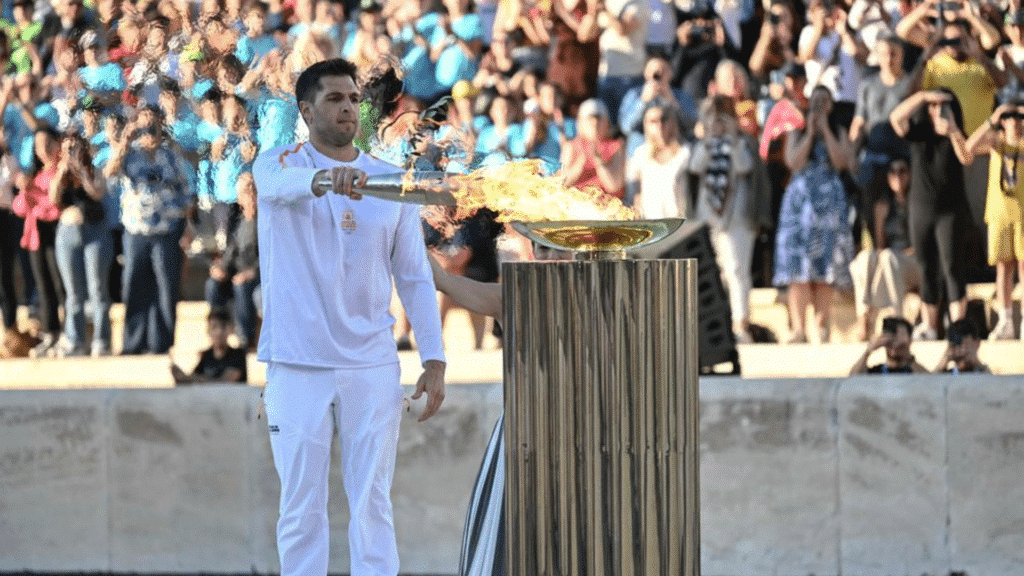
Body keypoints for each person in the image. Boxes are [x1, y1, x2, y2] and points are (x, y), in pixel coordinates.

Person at [252, 58, 446, 576]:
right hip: (296, 365)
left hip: (372, 366)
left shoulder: (389, 182)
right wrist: (324, 180)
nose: (346, 108)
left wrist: (434, 357)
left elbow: (413, 275)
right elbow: (276, 190)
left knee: (372, 505)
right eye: (334, 99)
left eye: (352, 99)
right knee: (300, 510)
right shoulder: (275, 165)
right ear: (306, 109)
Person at [773, 85, 854, 344]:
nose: (821, 105)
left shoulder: (839, 129)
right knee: (798, 268)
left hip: (829, 205)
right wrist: (809, 132)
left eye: (825, 101)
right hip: (800, 206)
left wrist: (826, 130)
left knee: (825, 267)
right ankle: (799, 328)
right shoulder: (797, 131)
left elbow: (843, 162)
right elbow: (793, 162)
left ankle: (822, 325)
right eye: (816, 100)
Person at [104, 121, 193, 355]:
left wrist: (189, 226)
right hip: (137, 230)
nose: (149, 134)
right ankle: (132, 343)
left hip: (168, 228)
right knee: (134, 285)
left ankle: (161, 344)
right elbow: (109, 173)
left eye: (152, 128)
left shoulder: (171, 156)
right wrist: (124, 141)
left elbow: (185, 191)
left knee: (166, 288)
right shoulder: (128, 156)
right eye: (144, 130)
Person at [889, 88, 971, 340]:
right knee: (927, 268)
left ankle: (958, 328)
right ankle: (931, 327)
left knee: (952, 268)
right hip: (921, 209)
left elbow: (967, 157)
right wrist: (924, 96)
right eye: (933, 106)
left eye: (943, 106)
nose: (937, 110)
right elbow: (896, 118)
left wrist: (954, 130)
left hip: (950, 210)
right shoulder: (919, 133)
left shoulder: (957, 134)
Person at [964, 101, 1024, 340]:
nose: (1016, 122)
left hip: (1022, 213)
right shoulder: (996, 142)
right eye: (1011, 117)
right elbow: (969, 147)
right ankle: (1006, 319)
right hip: (1000, 213)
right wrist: (993, 118)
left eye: (1019, 117)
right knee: (1003, 267)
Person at [52, 132, 112, 357]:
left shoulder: (94, 170)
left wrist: (81, 170)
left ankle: (101, 340)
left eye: (75, 148)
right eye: (67, 148)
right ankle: (74, 340)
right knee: (73, 292)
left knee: (97, 289)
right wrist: (62, 170)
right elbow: (53, 199)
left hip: (94, 232)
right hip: (68, 233)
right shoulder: (61, 173)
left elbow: (97, 193)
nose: (71, 153)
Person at [848, 157, 921, 341]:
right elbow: (880, 245)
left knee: (888, 257)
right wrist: (880, 219)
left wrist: (895, 255)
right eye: (893, 173)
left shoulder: (918, 202)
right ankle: (864, 317)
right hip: (890, 262)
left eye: (902, 171)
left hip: (913, 261)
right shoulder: (884, 205)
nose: (898, 177)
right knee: (866, 258)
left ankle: (897, 318)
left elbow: (919, 245)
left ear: (910, 175)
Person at [205, 172, 259, 350]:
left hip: (259, 274)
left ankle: (245, 340)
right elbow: (231, 250)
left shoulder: (268, 220)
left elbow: (274, 253)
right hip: (237, 272)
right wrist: (221, 268)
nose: (250, 194)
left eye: (253, 190)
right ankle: (217, 336)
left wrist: (252, 272)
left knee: (241, 287)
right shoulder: (237, 219)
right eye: (245, 192)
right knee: (213, 285)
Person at [626, 99, 691, 219]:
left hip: (681, 223)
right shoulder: (641, 154)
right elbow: (634, 194)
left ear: (672, 121)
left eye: (664, 119)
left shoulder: (685, 151)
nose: (660, 125)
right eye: (653, 121)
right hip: (653, 224)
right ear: (646, 125)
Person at [559, 97, 625, 200]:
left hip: (609, 206)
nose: (595, 124)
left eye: (599, 119)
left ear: (606, 122)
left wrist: (599, 162)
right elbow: (561, 182)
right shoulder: (571, 146)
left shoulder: (617, 146)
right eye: (590, 119)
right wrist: (580, 163)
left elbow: (614, 185)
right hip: (579, 203)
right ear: (581, 122)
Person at [170, 306, 249, 384]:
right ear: (208, 331)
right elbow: (192, 379)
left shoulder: (238, 355)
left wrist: (197, 379)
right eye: (214, 327)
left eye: (223, 327)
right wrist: (181, 377)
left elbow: (226, 382)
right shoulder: (206, 356)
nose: (219, 332)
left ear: (229, 329)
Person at [849, 316, 929, 375]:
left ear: (910, 339)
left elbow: (930, 382)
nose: (895, 340)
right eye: (892, 334)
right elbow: (852, 379)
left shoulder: (914, 371)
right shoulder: (877, 371)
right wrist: (868, 351)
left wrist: (907, 355)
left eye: (900, 335)